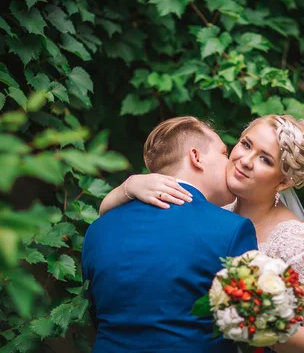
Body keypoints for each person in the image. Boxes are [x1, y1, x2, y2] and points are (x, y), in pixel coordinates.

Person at [100, 114, 304, 353]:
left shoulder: (297, 243)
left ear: (283, 182)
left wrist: (262, 325)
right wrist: (130, 185)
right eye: (246, 144)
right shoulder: (209, 204)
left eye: (265, 159)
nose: (246, 160)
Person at [82, 116, 258, 353]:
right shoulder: (231, 230)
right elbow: (250, 325)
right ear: (196, 157)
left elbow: (96, 314)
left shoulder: (97, 230)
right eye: (223, 153)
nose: (229, 163)